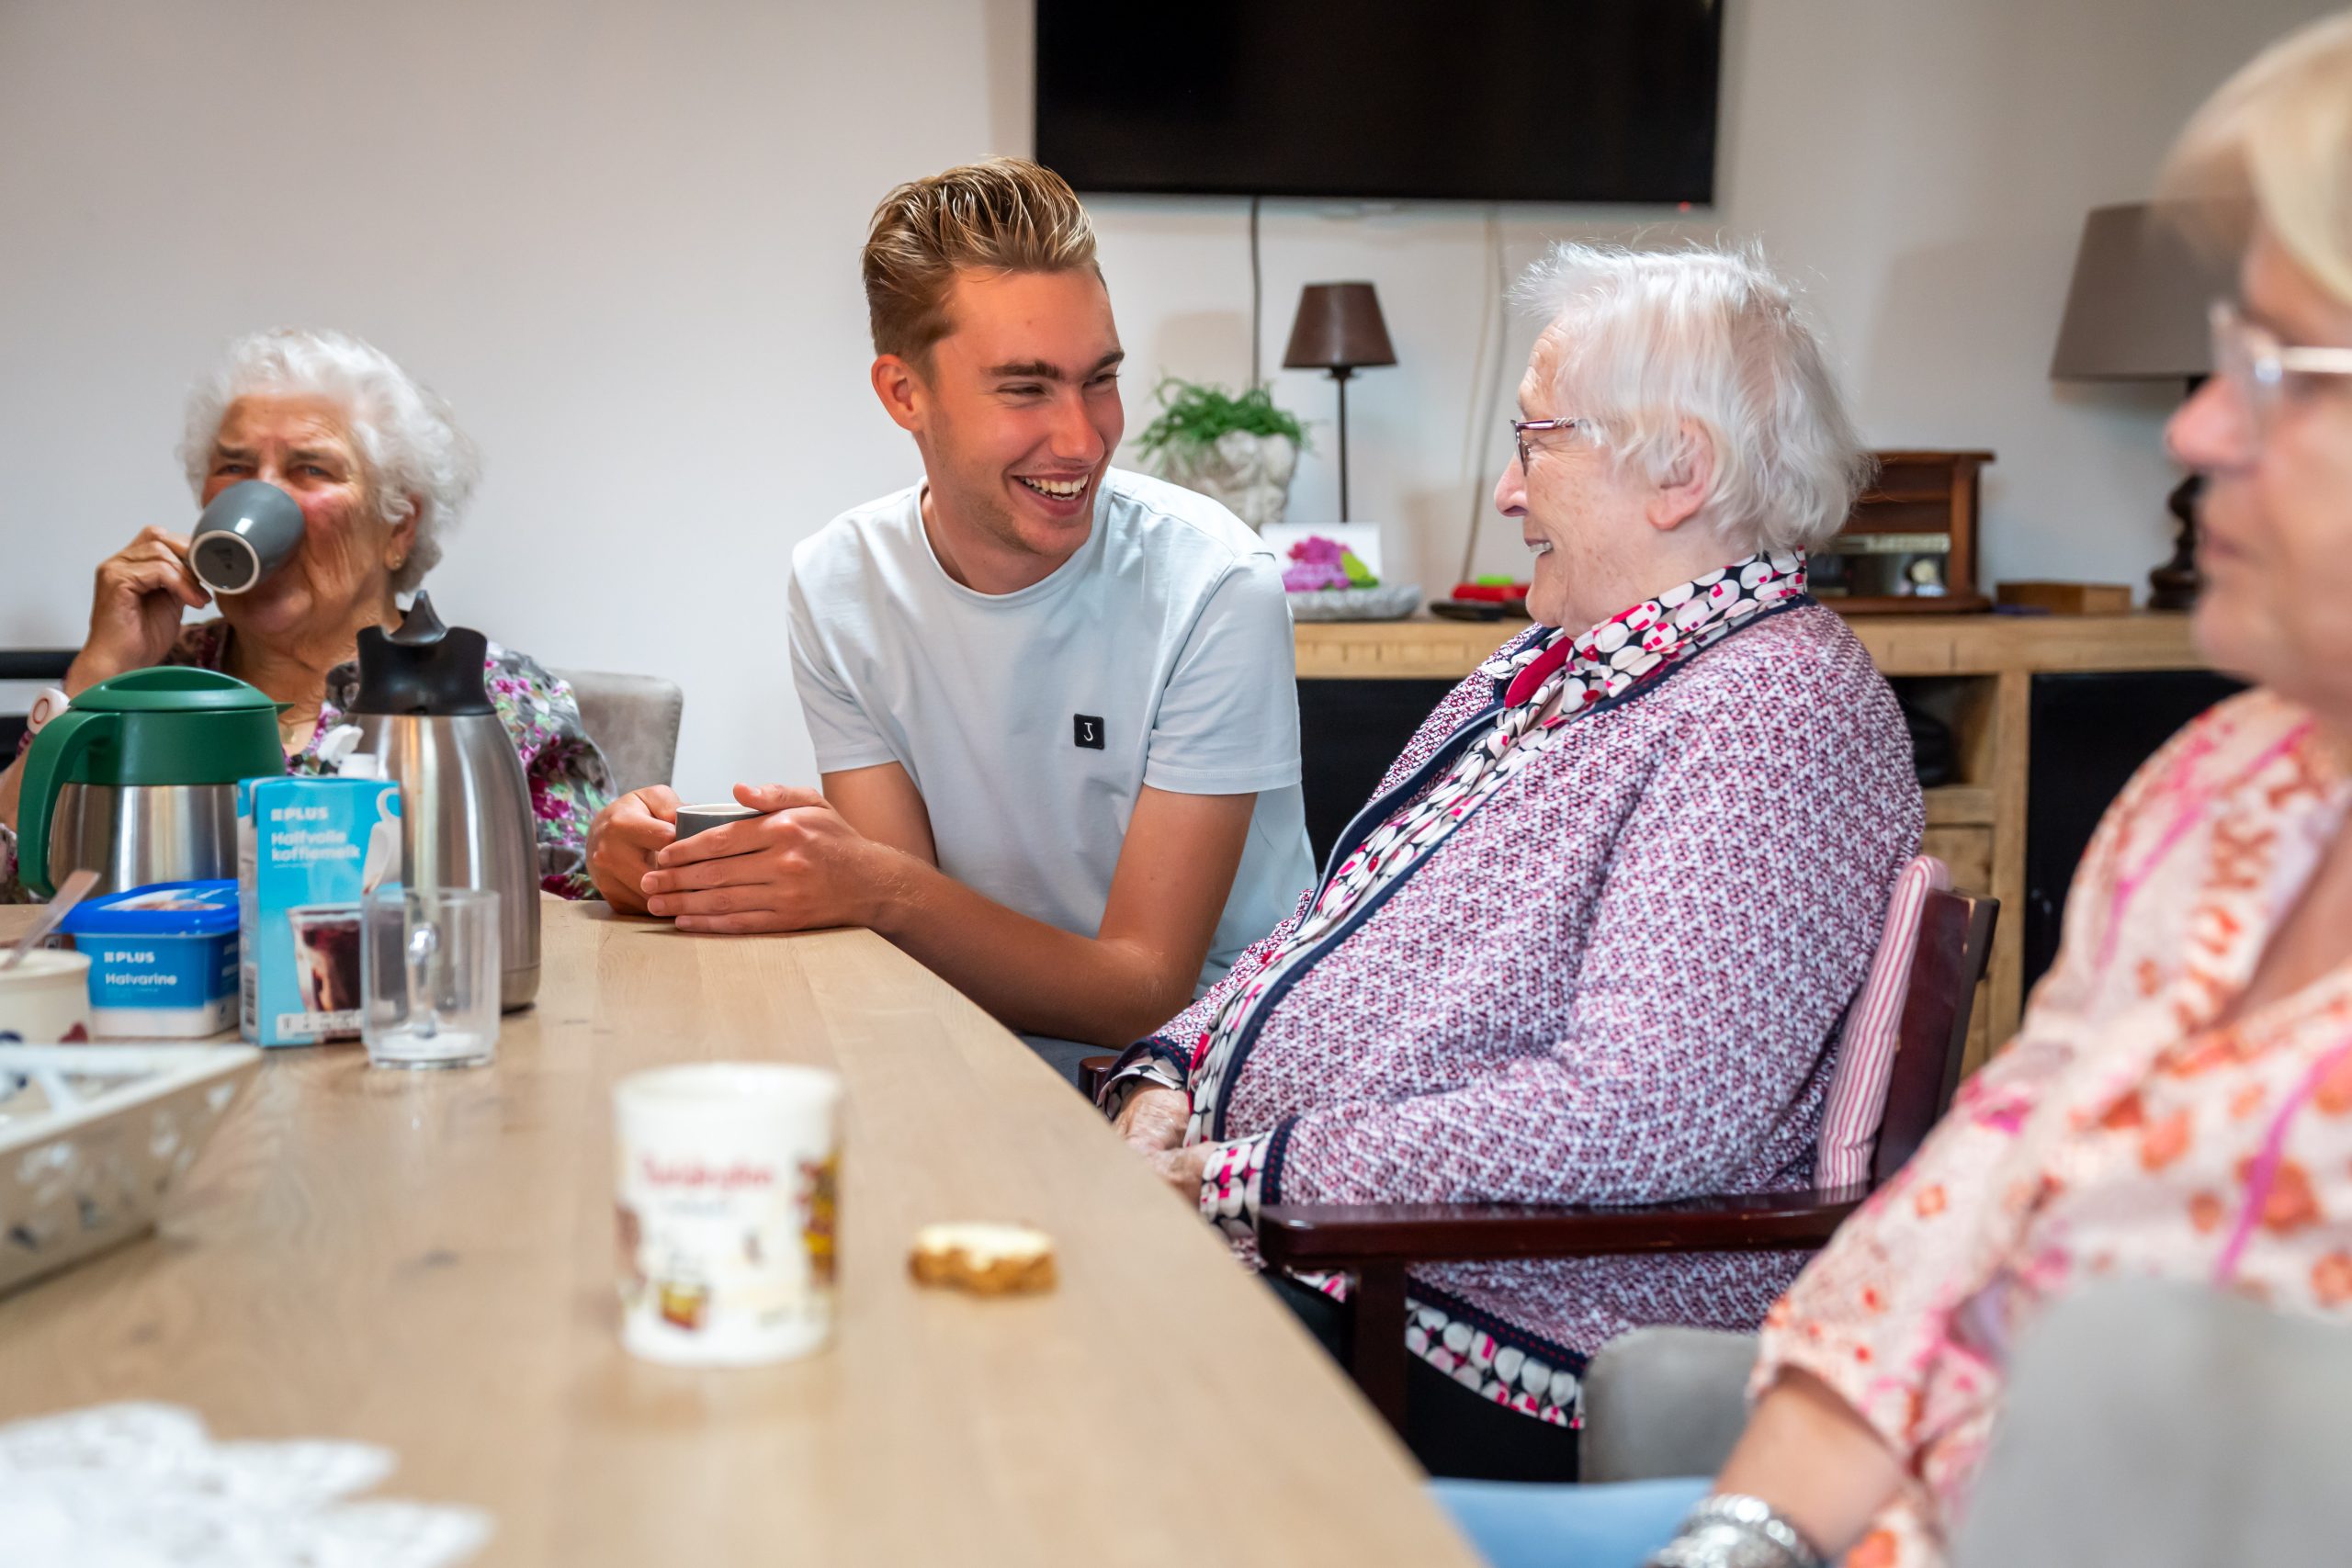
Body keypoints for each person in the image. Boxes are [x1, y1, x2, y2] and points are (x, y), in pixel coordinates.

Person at [1431, 13, 2352, 1564]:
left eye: (2277, 368)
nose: (2192, 427)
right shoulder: (2220, 785)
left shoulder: (1767, 703)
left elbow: (1642, 1107)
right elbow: (1939, 1233)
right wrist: (1736, 1544)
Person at [1102, 240, 1922, 1481]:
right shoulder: (1540, 670)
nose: (1504, 489)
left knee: (1039, 1369)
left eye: (1538, 442)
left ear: (1678, 472)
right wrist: (1169, 1071)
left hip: (1498, 1315)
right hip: (1342, 1244)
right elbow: (1322, 938)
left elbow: (1647, 1111)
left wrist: (1243, 1176)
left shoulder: (1774, 711)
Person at [585, 159, 1315, 1077]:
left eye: (1099, 379)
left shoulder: (1215, 585)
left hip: (1206, 1078)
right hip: (966, 1051)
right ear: (903, 393)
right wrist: (665, 865)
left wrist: (867, 883)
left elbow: (1145, 988)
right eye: (1025, 388)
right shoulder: (838, 581)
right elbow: (903, 915)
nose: (1083, 439)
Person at [0, 327, 614, 902]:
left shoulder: (489, 695)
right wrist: (99, 674)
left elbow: (576, 909)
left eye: (311, 469)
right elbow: (14, 886)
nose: (262, 497)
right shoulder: (155, 685)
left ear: (398, 526)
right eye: (235, 468)